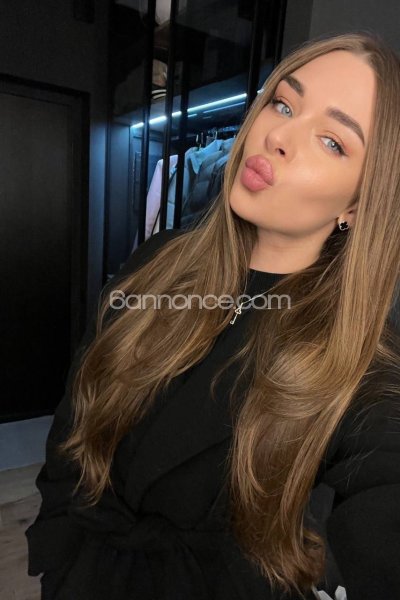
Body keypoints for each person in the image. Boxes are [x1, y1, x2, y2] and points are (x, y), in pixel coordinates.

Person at [25, 31, 400, 600]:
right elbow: (76, 420)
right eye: (283, 104)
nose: (277, 137)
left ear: (358, 203)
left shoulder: (364, 377)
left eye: (332, 141)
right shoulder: (159, 262)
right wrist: (60, 549)